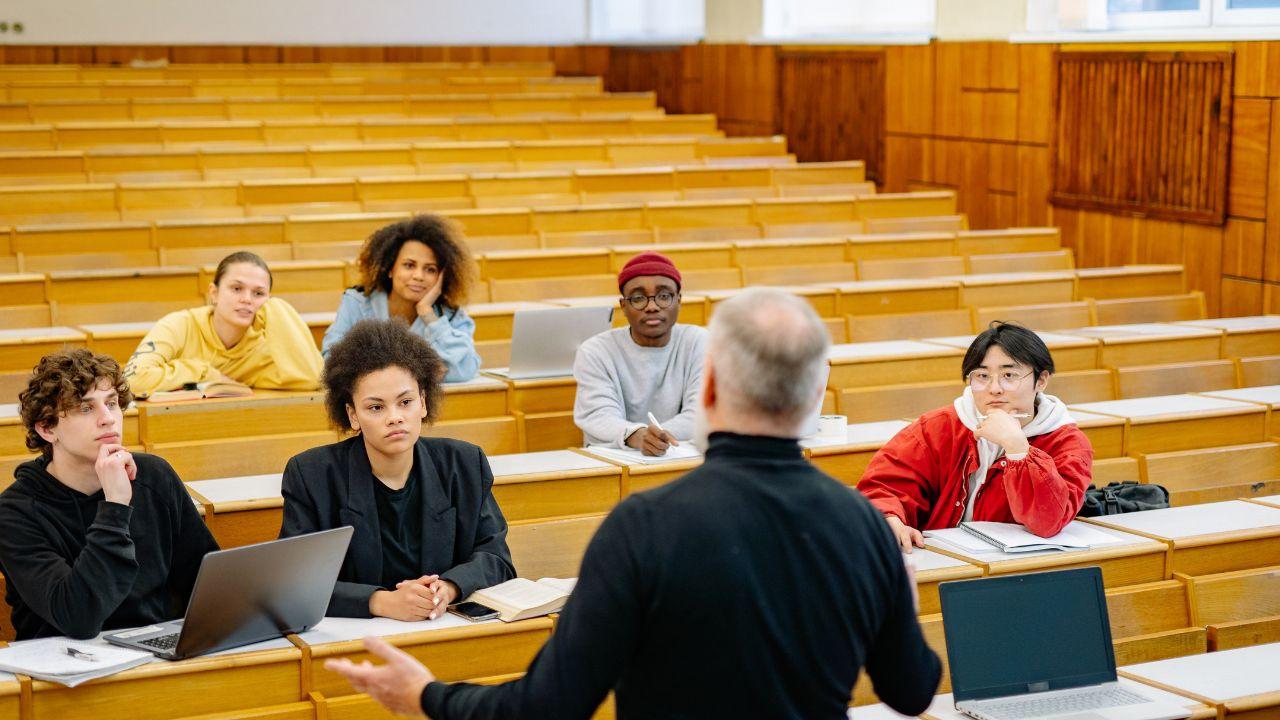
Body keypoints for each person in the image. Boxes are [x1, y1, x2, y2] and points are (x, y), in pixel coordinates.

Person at [324, 287, 942, 719]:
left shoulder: (646, 525)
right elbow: (913, 691)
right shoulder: (861, 523)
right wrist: (897, 600)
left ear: (708, 388)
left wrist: (427, 696)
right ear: (814, 396)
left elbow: (550, 706)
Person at [279, 319, 513, 620]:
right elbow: (295, 582)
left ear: (424, 403)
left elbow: (497, 558)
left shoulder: (464, 463)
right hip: (355, 641)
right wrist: (380, 602)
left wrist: (449, 587)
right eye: (376, 407)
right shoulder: (311, 475)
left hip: (441, 626)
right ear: (352, 415)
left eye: (405, 402)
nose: (395, 417)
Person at [0, 350, 218, 640]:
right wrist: (115, 507)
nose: (108, 420)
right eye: (85, 408)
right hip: (65, 670)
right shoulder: (15, 513)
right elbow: (79, 617)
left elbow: (208, 581)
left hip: (154, 657)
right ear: (47, 428)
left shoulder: (154, 476)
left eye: (112, 404)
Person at [858, 322, 1094, 551]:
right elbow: (885, 485)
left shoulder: (1068, 443)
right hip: (943, 559)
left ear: (1041, 380)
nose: (995, 388)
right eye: (982, 376)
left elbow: (1048, 521)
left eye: (1009, 375)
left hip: (1018, 569)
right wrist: (888, 517)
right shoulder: (939, 427)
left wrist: (1018, 449)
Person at [124, 251, 323, 397]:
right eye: (236, 288)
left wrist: (276, 308)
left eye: (259, 293)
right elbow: (133, 380)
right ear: (214, 293)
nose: (247, 299)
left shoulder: (265, 349)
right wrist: (206, 373)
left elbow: (312, 380)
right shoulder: (179, 325)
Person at [573, 251, 707, 455]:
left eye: (664, 296)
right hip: (615, 459)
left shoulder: (700, 342)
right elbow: (597, 415)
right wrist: (636, 435)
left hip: (682, 457)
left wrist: (656, 438)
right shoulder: (596, 351)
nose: (652, 306)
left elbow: (702, 412)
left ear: (679, 301)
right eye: (638, 298)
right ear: (623, 306)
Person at [322, 215, 481, 383]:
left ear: (442, 277)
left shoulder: (451, 315)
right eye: (409, 265)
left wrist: (428, 314)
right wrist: (423, 369)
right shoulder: (357, 303)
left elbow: (466, 369)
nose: (419, 276)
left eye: (430, 269)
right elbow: (331, 360)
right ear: (390, 269)